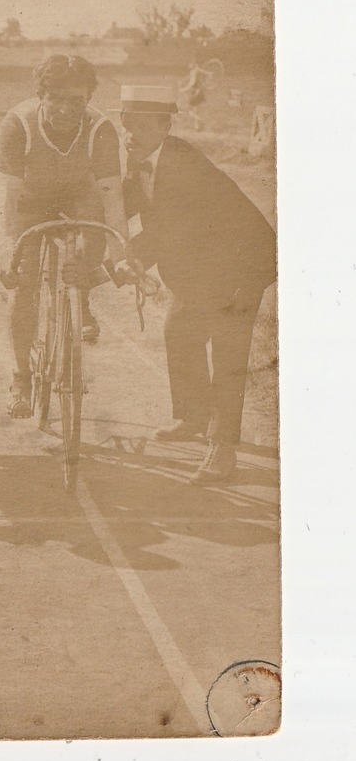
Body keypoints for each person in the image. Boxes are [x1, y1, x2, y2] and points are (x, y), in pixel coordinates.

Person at [114, 84, 276, 484]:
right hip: (202, 270)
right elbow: (123, 212)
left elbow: (166, 233)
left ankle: (223, 449)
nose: (131, 134)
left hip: (240, 266)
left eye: (141, 126)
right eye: (127, 126)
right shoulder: (142, 161)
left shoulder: (182, 163)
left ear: (164, 126)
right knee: (180, 334)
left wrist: (117, 267)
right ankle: (192, 416)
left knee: (227, 355)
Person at [0, 54, 128, 417]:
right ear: (42, 95)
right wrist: (9, 258)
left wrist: (120, 256)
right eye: (57, 99)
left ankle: (79, 299)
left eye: (78, 101)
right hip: (31, 199)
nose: (68, 110)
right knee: (23, 287)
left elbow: (111, 197)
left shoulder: (100, 129)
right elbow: (7, 200)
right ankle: (21, 376)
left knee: (92, 233)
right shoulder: (18, 124)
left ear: (88, 99)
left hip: (79, 195)